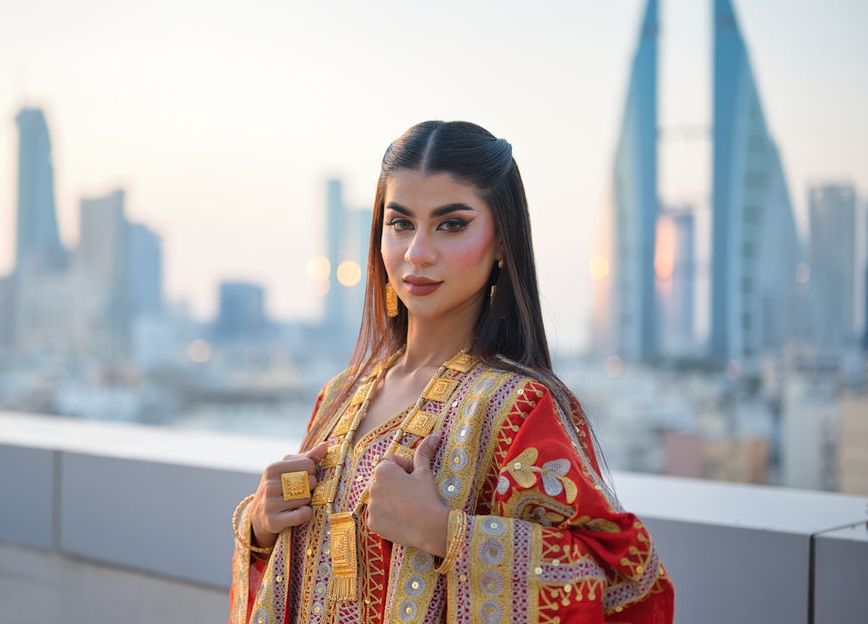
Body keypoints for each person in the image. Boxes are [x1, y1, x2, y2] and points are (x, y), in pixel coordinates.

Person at [230, 121, 675, 623]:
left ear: (503, 241)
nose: (417, 251)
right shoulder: (339, 394)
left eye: (451, 224)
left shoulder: (520, 408)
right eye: (400, 223)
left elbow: (620, 582)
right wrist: (261, 527)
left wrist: (442, 532)